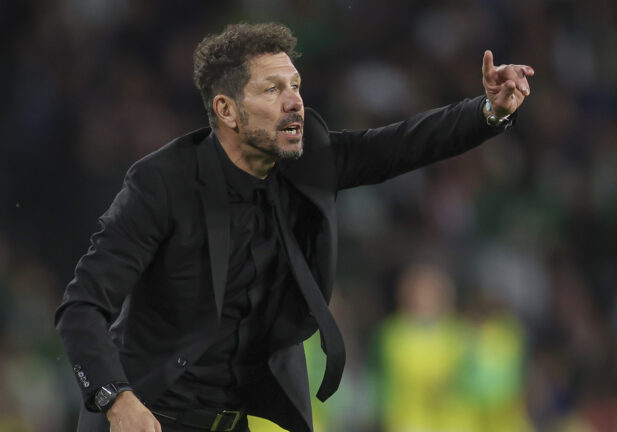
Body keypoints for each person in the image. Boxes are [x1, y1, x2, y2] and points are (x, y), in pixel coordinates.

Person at [54, 22, 534, 432]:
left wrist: (489, 111)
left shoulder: (310, 160)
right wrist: (116, 400)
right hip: (146, 416)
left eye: (296, 85)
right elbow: (82, 306)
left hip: (235, 419)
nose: (295, 101)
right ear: (226, 110)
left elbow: (400, 145)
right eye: (272, 89)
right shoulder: (163, 183)